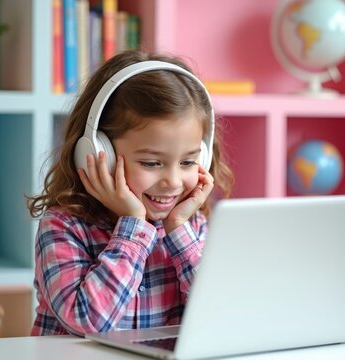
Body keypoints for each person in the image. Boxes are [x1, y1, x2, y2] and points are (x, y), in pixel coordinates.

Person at [27, 50, 234, 336]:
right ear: (100, 152)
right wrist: (133, 226)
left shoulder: (190, 225)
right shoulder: (64, 226)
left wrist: (179, 232)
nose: (173, 181)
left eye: (188, 162)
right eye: (151, 163)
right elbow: (88, 322)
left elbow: (222, 316)